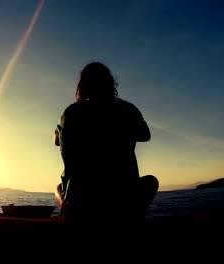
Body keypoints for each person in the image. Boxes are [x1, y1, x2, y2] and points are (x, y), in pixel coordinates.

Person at [53, 62, 159, 250]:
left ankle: (66, 208)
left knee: (59, 188)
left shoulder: (70, 113)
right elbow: (146, 135)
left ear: (82, 86)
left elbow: (56, 140)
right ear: (111, 84)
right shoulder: (127, 110)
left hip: (80, 205)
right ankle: (130, 220)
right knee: (151, 182)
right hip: (122, 200)